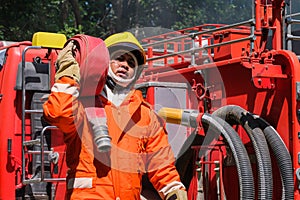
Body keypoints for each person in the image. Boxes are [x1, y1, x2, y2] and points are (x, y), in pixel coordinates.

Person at [43, 32, 187, 200]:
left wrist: (174, 189)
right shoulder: (83, 103)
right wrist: (68, 74)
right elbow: (59, 113)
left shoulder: (145, 115)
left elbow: (161, 163)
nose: (125, 65)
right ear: (104, 62)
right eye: (119, 58)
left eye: (131, 62)